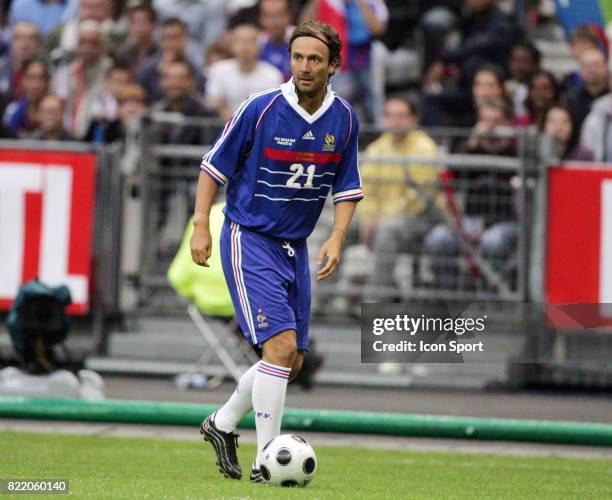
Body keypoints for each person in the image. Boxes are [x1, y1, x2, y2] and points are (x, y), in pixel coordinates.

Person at [191, 20, 362, 482]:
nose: (304, 67)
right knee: (280, 346)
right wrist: (200, 226)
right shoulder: (260, 108)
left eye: (314, 59)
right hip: (250, 237)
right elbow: (212, 168)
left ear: (333, 66)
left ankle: (222, 424)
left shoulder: (344, 118)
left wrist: (336, 237)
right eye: (297, 57)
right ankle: (269, 460)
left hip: (296, 246)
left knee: (293, 359)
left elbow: (347, 187)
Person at [358, 96, 442, 301]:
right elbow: (366, 188)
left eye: (401, 116)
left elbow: (418, 198)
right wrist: (368, 216)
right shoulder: (377, 148)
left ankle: (377, 299)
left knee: (387, 229)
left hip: (422, 217)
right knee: (339, 225)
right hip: (383, 216)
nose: (395, 121)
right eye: (390, 115)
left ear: (414, 120)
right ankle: (319, 301)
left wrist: (378, 218)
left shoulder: (425, 148)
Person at [206, 19, 283, 121]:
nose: (245, 46)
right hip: (223, 127)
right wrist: (234, 123)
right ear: (231, 45)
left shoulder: (273, 74)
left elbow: (273, 108)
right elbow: (214, 102)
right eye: (239, 41)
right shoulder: (218, 70)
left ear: (260, 46)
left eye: (250, 41)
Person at [563, 48, 608, 128]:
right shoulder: (571, 98)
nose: (591, 70)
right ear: (580, 71)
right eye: (587, 66)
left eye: (596, 64)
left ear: (605, 67)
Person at [3, 58, 49, 136]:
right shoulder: (12, 110)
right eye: (30, 78)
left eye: (41, 78)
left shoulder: (54, 111)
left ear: (47, 82)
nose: (35, 85)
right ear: (22, 80)